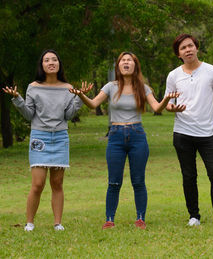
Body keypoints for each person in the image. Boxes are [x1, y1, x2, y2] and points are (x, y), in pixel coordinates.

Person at [69, 52, 179, 229]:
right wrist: (81, 95)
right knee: (114, 181)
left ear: (135, 66)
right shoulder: (110, 86)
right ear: (118, 66)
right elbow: (93, 104)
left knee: (138, 181)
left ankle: (140, 218)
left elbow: (157, 107)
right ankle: (109, 220)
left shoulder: (143, 88)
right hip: (116, 136)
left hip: (137, 136)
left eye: (130, 60)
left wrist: (167, 98)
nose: (126, 63)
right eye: (123, 60)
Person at [3, 50, 83, 231]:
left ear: (59, 64)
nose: (51, 62)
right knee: (38, 184)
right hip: (40, 137)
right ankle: (29, 223)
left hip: (60, 137)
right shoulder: (33, 87)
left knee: (57, 183)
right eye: (46, 60)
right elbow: (29, 114)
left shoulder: (67, 88)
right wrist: (18, 99)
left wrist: (78, 98)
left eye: (54, 59)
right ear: (42, 65)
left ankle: (57, 223)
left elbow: (68, 115)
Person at [165, 34, 213, 226]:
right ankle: (193, 216)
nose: (188, 50)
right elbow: (168, 103)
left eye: (190, 46)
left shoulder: (211, 71)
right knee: (189, 176)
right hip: (182, 132)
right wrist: (173, 108)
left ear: (196, 48)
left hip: (207, 133)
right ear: (178, 54)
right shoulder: (173, 75)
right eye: (183, 48)